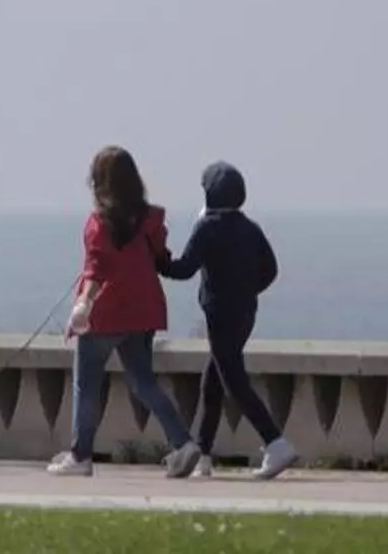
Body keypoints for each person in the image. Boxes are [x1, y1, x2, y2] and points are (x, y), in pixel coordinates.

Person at [47, 146, 202, 479]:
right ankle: (183, 442)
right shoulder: (150, 220)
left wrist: (83, 305)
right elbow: (160, 257)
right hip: (143, 310)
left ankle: (81, 454)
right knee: (144, 382)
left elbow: (96, 270)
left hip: (105, 314)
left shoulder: (98, 224)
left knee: (87, 385)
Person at [158, 161, 298, 480]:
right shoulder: (250, 228)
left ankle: (276, 443)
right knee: (214, 380)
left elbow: (184, 269)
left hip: (219, 313)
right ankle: (203, 454)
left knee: (234, 381)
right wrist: (247, 290)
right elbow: (270, 270)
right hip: (246, 312)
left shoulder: (207, 227)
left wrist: (157, 259)